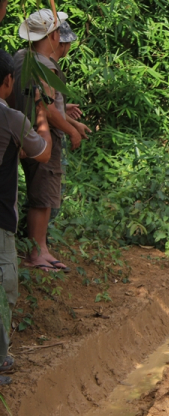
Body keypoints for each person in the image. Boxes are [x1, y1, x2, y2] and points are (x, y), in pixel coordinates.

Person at [14, 9, 82, 272]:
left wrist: (70, 121)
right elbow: (49, 110)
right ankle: (37, 251)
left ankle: (39, 248)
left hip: (22, 133)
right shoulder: (43, 64)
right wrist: (72, 131)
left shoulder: (22, 57)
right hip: (42, 137)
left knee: (39, 191)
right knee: (43, 194)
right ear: (54, 36)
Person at [0, 49, 53, 385]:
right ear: (7, 82)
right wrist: (41, 113)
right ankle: (1, 359)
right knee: (3, 288)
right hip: (0, 219)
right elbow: (43, 152)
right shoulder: (12, 119)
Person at [49, 20, 89, 222]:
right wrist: (72, 130)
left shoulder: (43, 63)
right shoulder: (49, 67)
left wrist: (66, 110)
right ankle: (39, 243)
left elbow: (52, 106)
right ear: (60, 43)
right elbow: (47, 110)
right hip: (50, 136)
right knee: (51, 190)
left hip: (49, 133)